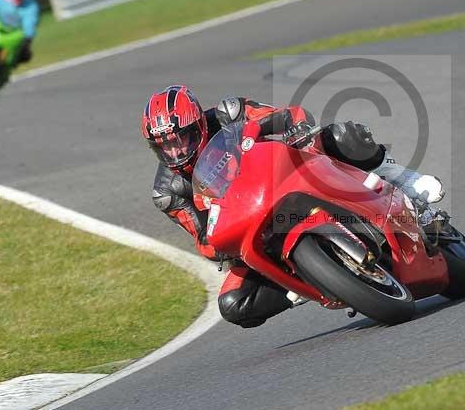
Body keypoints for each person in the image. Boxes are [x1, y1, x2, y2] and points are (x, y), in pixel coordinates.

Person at [141, 85, 445, 328]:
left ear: (199, 124)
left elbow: (289, 115)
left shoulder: (228, 113)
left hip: (286, 170)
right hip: (251, 217)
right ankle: (303, 285)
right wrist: (218, 246)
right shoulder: (168, 191)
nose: (176, 150)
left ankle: (405, 181)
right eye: (164, 145)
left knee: (341, 135)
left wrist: (296, 130)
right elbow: (203, 239)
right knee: (234, 303)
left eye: (182, 138)